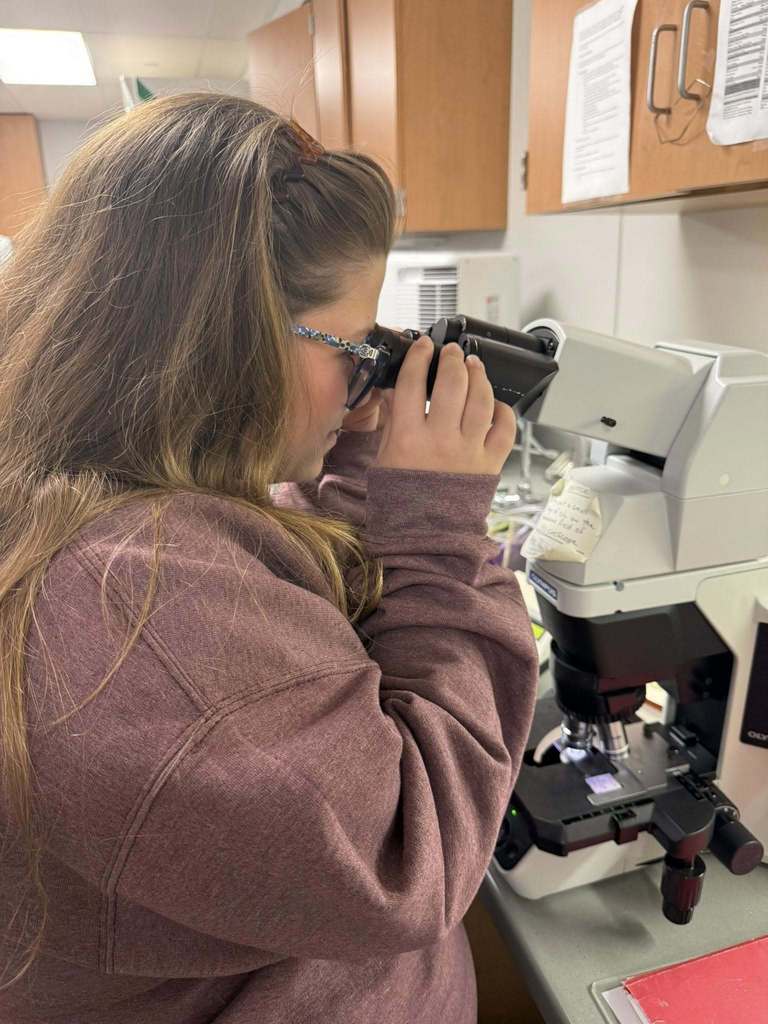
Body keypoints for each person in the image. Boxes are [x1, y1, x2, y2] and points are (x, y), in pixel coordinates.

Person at [0, 93, 538, 1023]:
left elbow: (292, 621)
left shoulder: (111, 502)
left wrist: (366, 462)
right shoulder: (136, 600)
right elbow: (411, 857)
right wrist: (441, 531)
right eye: (351, 346)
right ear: (227, 340)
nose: (367, 375)